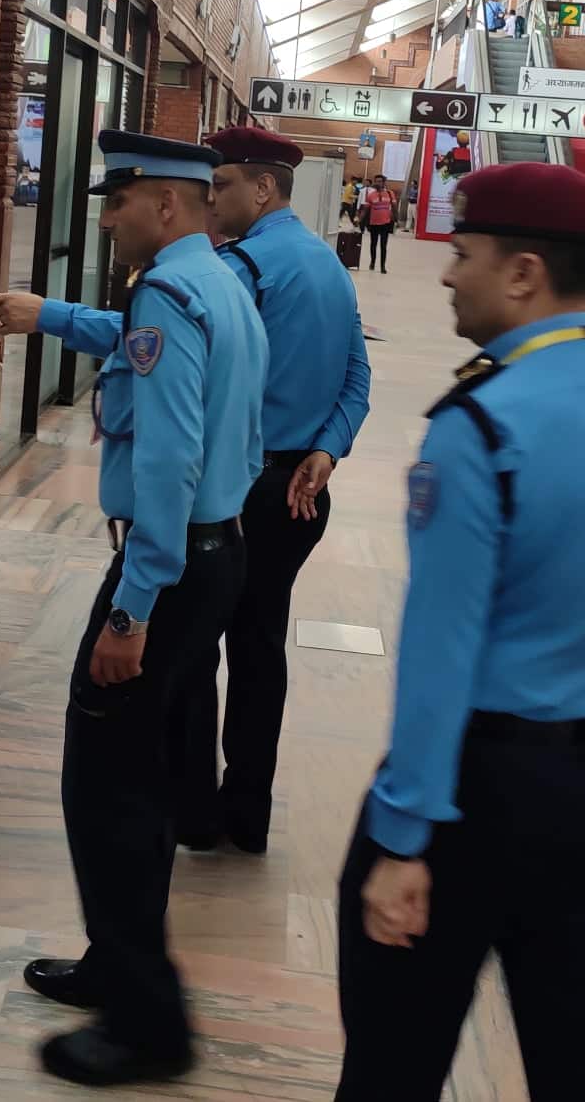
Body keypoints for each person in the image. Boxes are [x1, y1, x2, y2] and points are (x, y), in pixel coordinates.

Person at [336, 163, 585, 1102]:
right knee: (583, 1056)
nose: (448, 273)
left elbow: (442, 649)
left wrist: (405, 837)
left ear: (524, 272)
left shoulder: (483, 425)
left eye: (464, 254)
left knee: (393, 1059)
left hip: (478, 795)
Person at [0, 130, 268, 1087]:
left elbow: (171, 459)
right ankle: (114, 965)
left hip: (167, 572)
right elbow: (152, 358)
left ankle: (147, 1023)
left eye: (118, 203)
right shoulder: (217, 281)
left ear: (166, 205)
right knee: (142, 770)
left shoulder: (171, 294)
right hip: (215, 554)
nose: (106, 221)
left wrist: (131, 611)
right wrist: (48, 315)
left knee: (108, 790)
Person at [192, 126, 371, 853]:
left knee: (194, 646)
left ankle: (196, 811)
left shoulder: (241, 268)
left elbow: (183, 359)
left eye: (221, 186)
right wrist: (326, 449)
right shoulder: (328, 264)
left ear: (262, 188)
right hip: (300, 493)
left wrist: (54, 316)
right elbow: (357, 376)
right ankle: (248, 812)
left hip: (237, 493)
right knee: (261, 646)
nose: (210, 202)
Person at [360, 177, 399, 273]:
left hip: (386, 223)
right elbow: (365, 209)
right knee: (373, 244)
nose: (378, 183)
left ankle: (383, 266)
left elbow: (394, 207)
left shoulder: (390, 194)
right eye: (376, 181)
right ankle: (372, 262)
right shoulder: (371, 195)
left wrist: (397, 219)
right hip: (374, 223)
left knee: (383, 245)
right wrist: (360, 219)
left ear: (384, 182)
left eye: (380, 181)